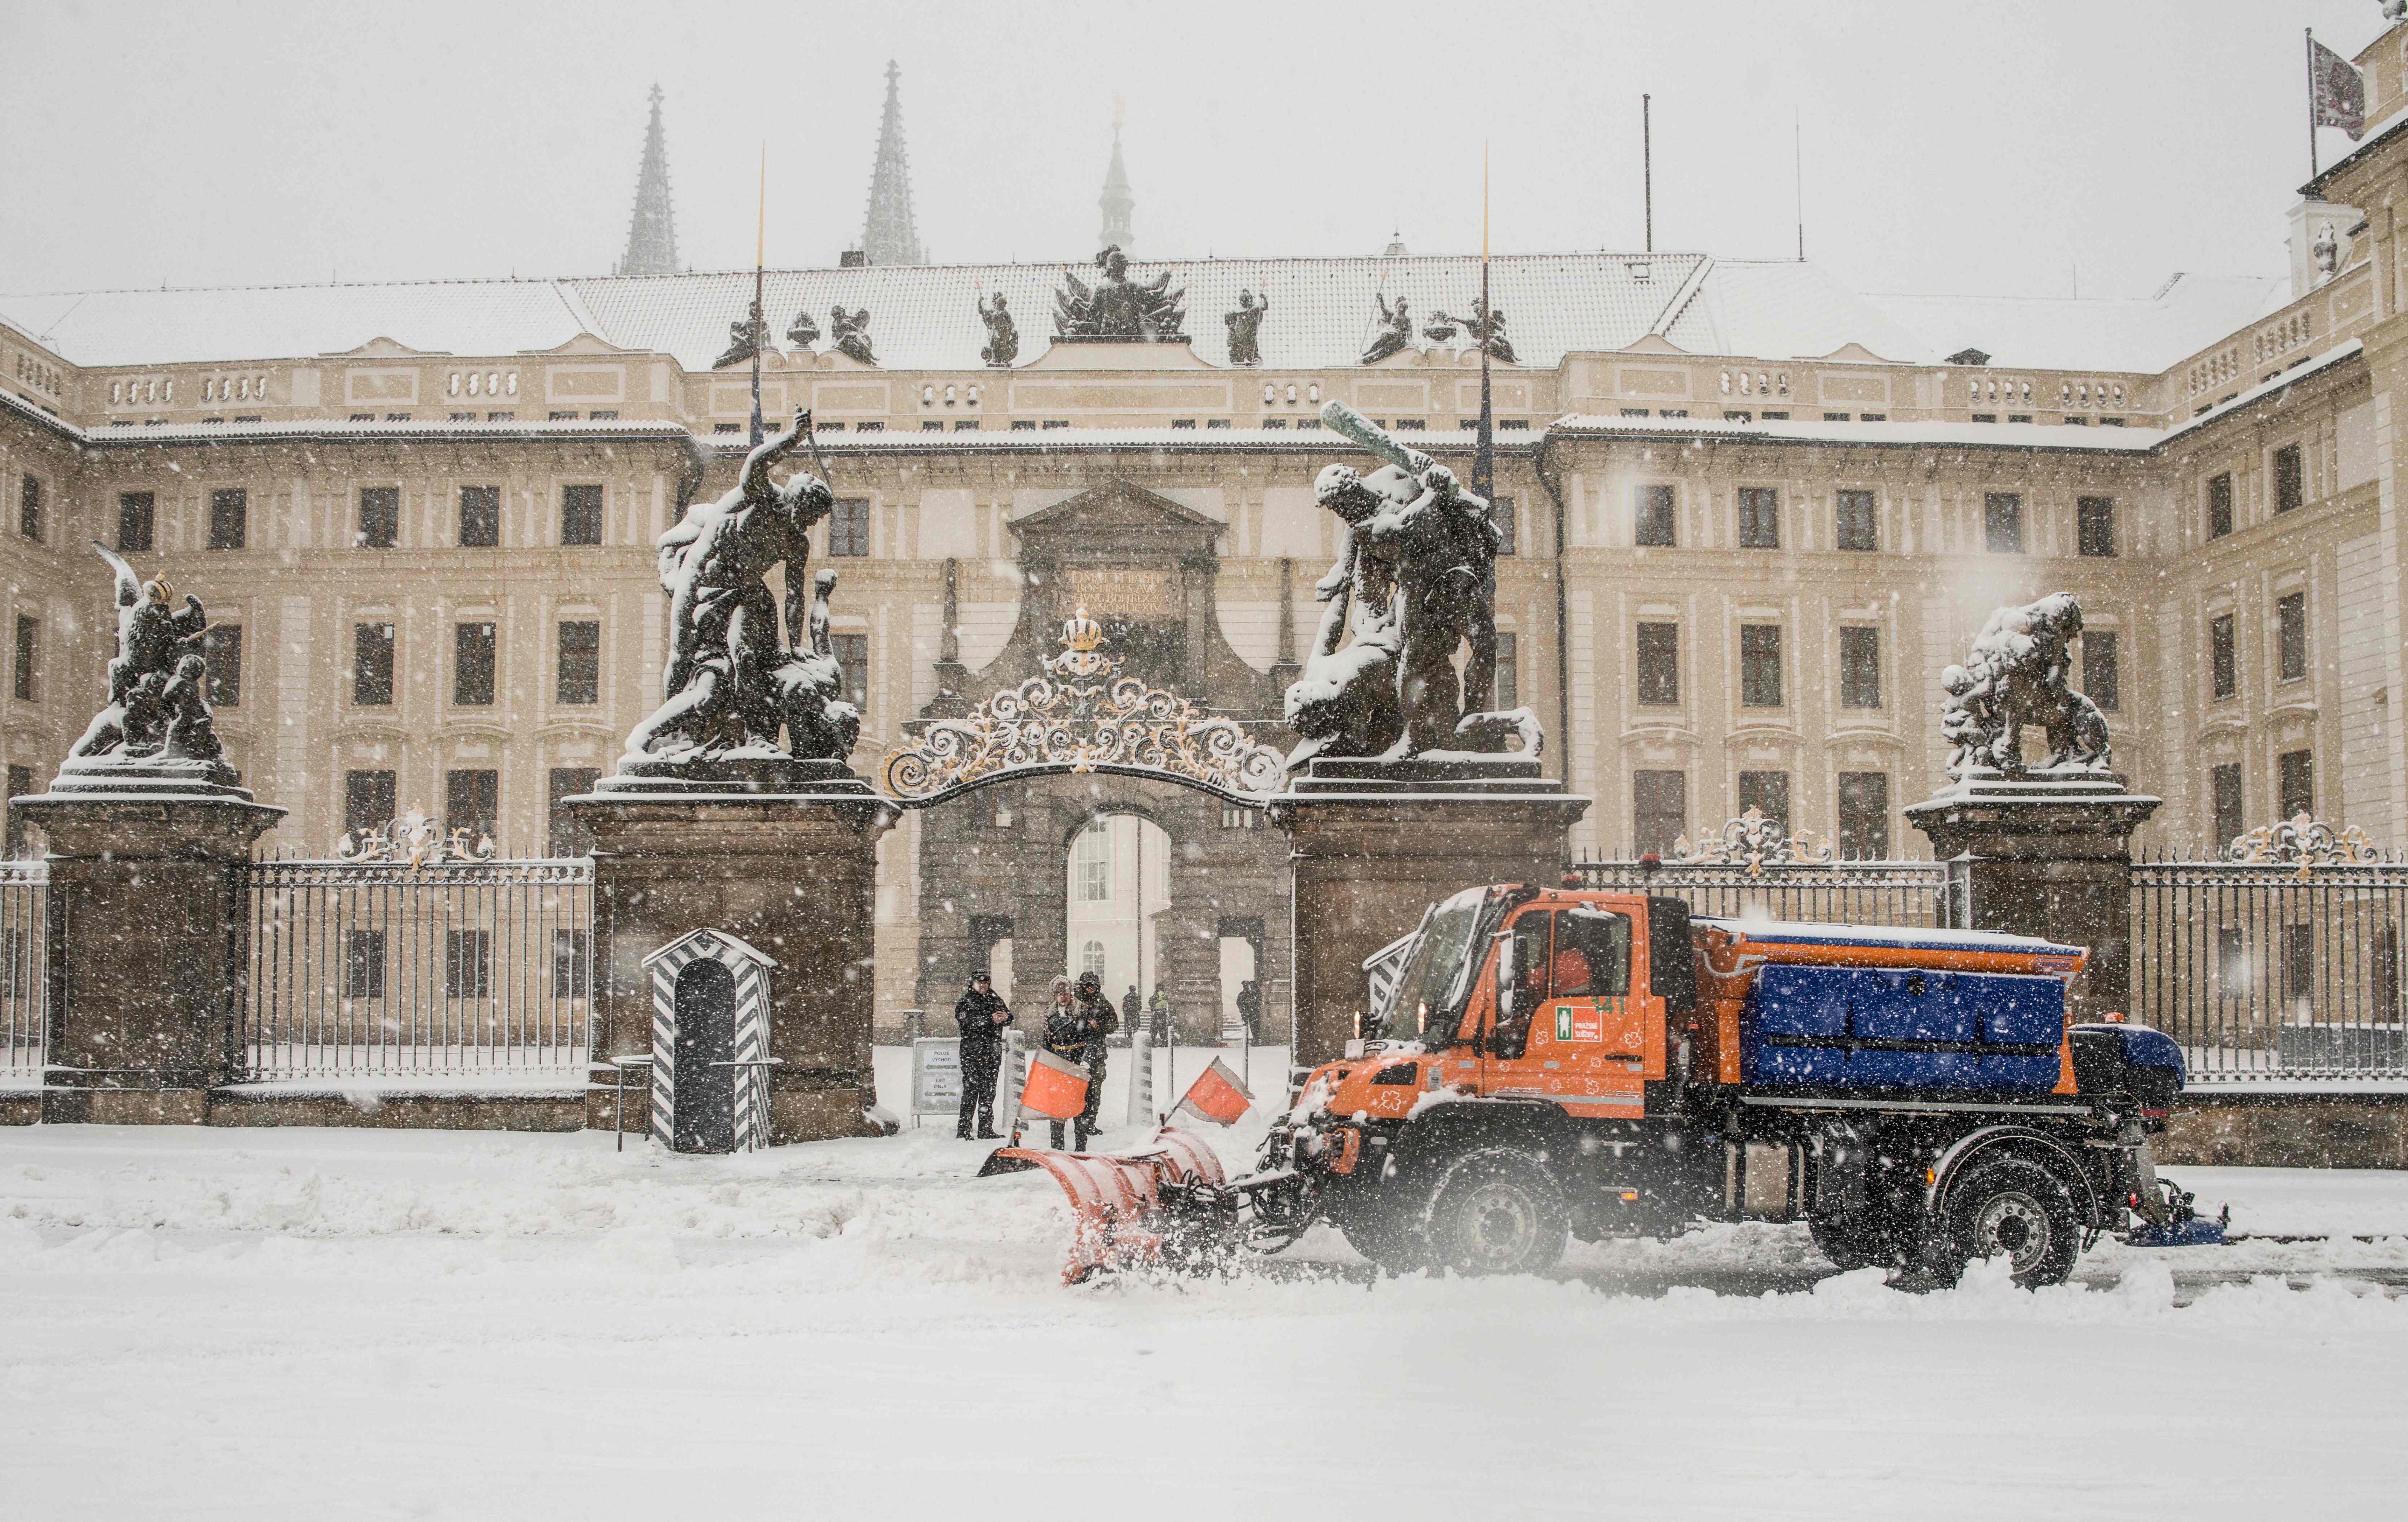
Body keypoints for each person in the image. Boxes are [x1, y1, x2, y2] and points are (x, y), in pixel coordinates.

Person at [953, 970, 1010, 1140]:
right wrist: (989, 1019)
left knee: (988, 1092)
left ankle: (986, 1129)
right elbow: (967, 1023)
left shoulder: (994, 998)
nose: (984, 985)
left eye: (987, 982)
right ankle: (964, 1130)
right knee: (971, 1091)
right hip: (972, 1053)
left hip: (992, 1054)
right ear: (973, 984)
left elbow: (1008, 1016)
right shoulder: (965, 1002)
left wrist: (1005, 1017)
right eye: (980, 982)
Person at [1237, 979, 1261, 1043]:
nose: (1246, 987)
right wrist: (1242, 1009)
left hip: (1252, 1013)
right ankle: (1247, 1040)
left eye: (1247, 985)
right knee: (1246, 1027)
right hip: (1247, 1013)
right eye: (1245, 986)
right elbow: (1239, 1003)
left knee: (1254, 1028)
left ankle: (1256, 1040)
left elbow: (1258, 1000)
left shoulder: (1253, 993)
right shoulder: (1242, 994)